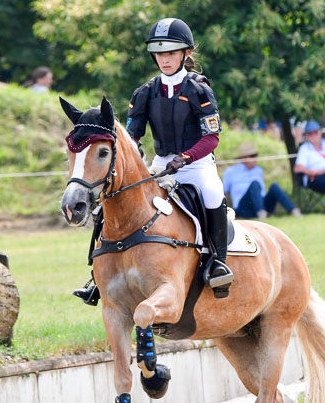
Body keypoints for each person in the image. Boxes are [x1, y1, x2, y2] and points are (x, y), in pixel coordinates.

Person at [74, 17, 233, 306]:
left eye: (171, 53)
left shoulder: (199, 89)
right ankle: (96, 277)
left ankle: (217, 262)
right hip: (160, 163)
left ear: (185, 54)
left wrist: (184, 159)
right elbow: (132, 134)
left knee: (212, 193)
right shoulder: (145, 92)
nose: (165, 60)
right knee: (111, 203)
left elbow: (211, 138)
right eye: (160, 54)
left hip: (196, 164)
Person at [222, 142, 301, 220]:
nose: (255, 158)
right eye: (252, 156)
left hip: (261, 203)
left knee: (274, 186)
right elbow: (224, 193)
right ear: (244, 158)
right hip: (244, 207)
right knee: (255, 184)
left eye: (256, 155)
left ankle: (293, 210)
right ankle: (261, 213)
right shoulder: (230, 171)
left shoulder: (258, 170)